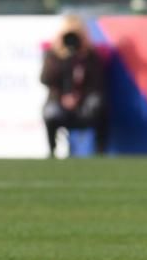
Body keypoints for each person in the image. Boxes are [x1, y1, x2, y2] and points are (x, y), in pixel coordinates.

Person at [40, 14, 108, 157]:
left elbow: (97, 83)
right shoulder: (53, 56)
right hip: (59, 102)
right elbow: (46, 79)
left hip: (83, 105)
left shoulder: (90, 56)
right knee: (50, 112)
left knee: (99, 105)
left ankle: (100, 152)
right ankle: (52, 151)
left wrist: (79, 96)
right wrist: (62, 57)